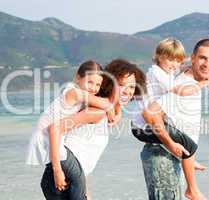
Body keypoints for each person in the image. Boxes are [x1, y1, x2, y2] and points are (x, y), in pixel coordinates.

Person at [28, 59, 147, 200]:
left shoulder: (102, 109)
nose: (128, 91)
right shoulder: (96, 112)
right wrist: (57, 170)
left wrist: (86, 193)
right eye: (121, 85)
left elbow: (82, 159)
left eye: (132, 87)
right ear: (110, 84)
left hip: (69, 178)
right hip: (61, 179)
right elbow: (56, 129)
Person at [131, 38, 209, 200]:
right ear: (192, 58)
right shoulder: (180, 85)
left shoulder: (178, 78)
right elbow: (149, 114)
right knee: (190, 146)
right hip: (162, 158)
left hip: (170, 157)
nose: (208, 63)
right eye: (202, 58)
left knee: (189, 146)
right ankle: (192, 189)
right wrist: (170, 143)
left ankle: (190, 164)